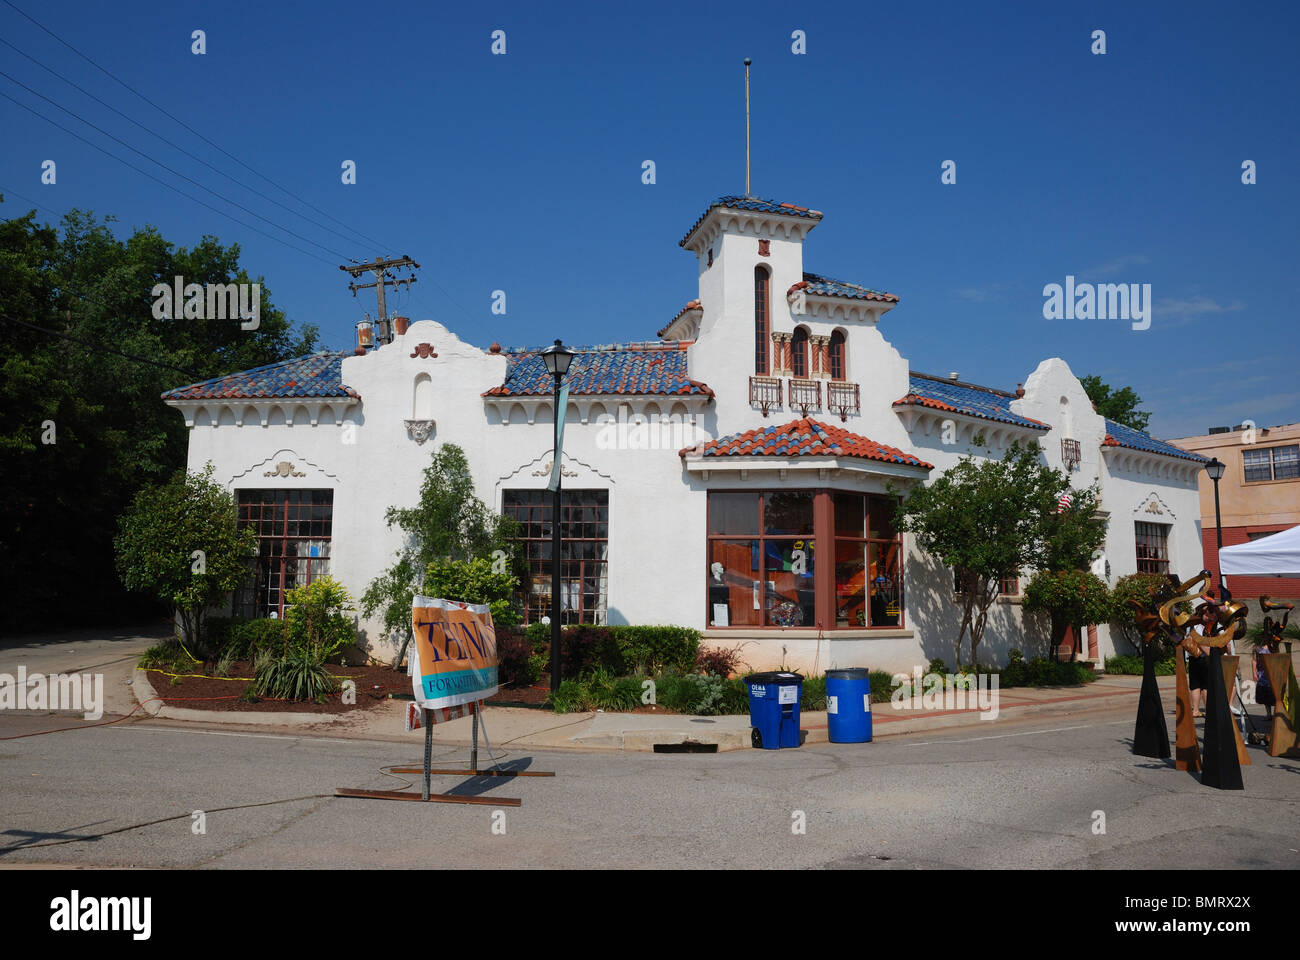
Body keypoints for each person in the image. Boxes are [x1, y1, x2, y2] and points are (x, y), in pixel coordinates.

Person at [1186, 603, 1216, 717]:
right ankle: (1208, 710)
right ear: (1201, 614)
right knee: (1205, 686)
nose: (1209, 617)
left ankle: (1196, 710)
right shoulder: (1199, 627)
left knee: (1195, 685)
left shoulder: (1190, 625)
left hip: (1193, 657)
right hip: (1202, 658)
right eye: (1207, 615)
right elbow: (1199, 641)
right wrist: (1209, 654)